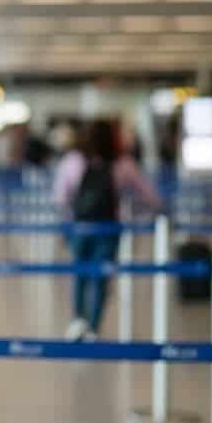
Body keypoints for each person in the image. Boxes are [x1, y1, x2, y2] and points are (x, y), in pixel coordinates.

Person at [52, 118, 163, 341]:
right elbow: (148, 195)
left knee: (80, 274)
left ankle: (77, 320)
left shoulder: (74, 161)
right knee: (101, 277)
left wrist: (67, 221)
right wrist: (157, 210)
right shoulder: (122, 163)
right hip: (109, 229)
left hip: (80, 226)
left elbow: (60, 197)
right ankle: (93, 327)